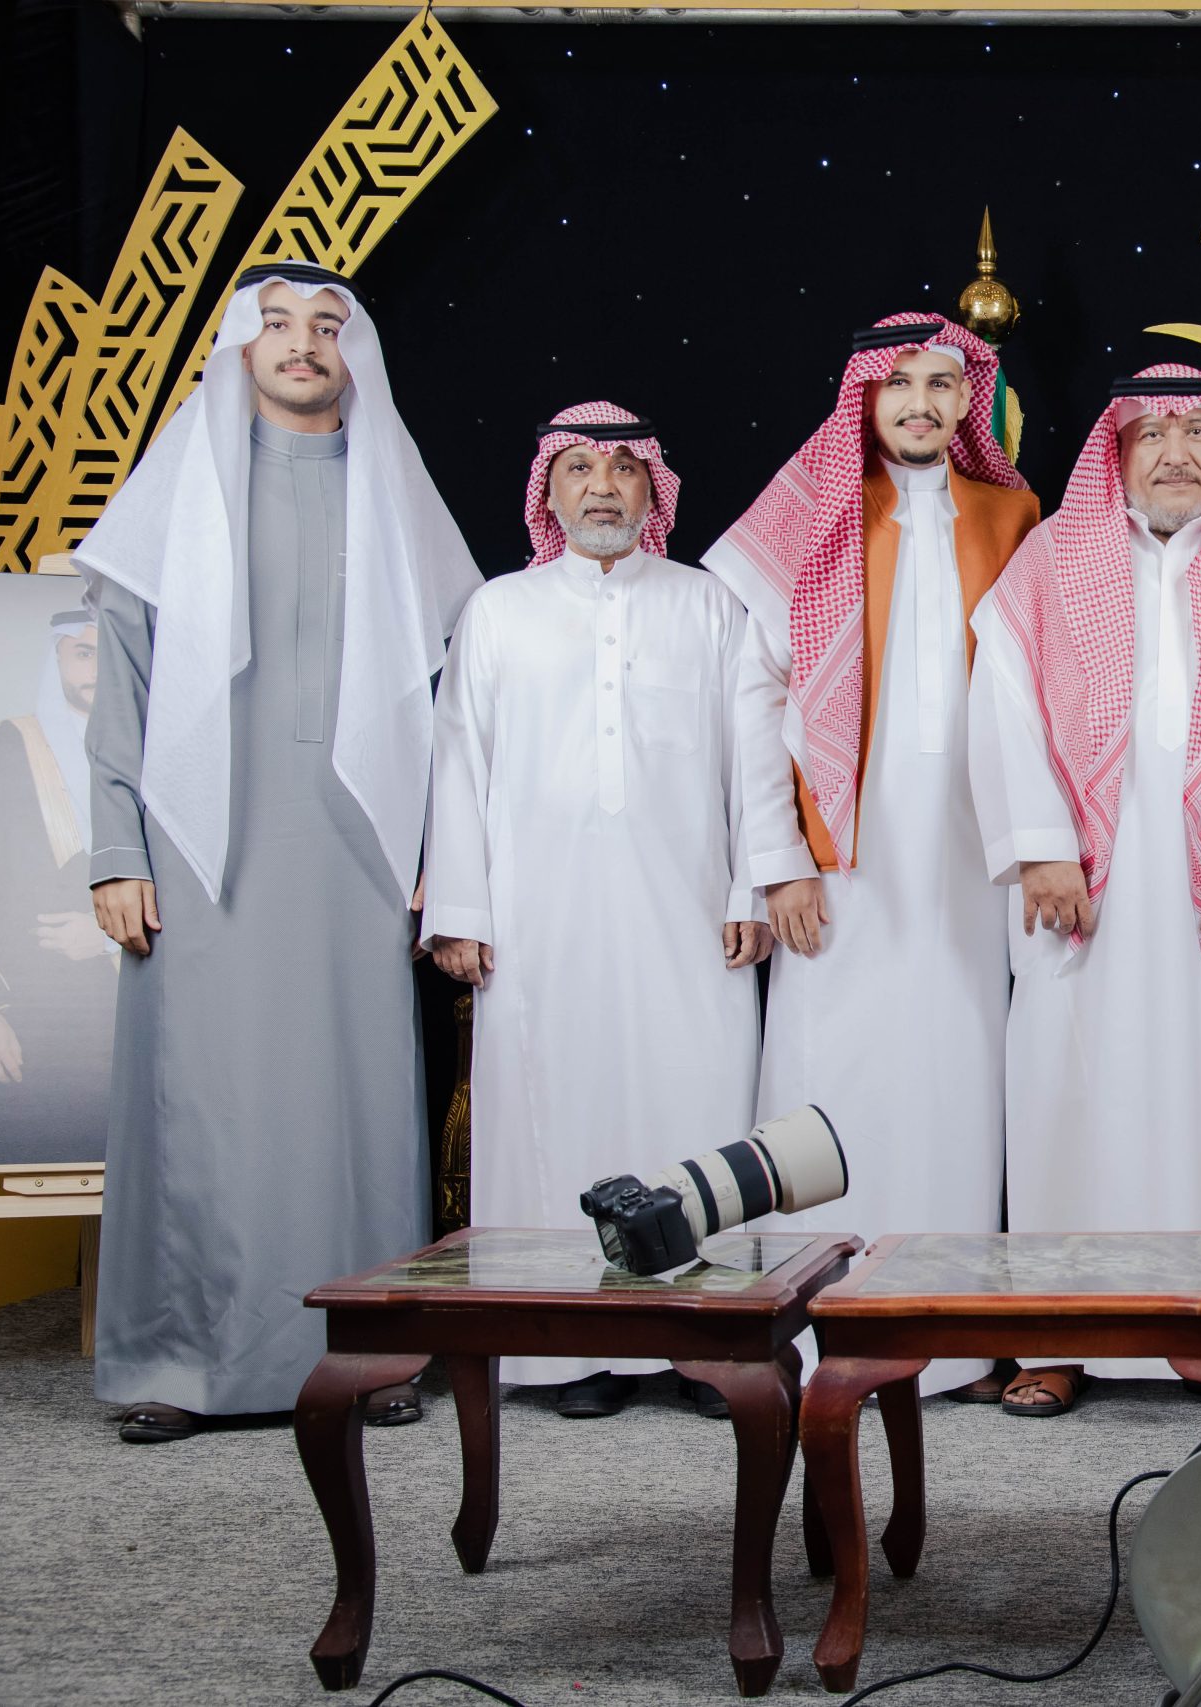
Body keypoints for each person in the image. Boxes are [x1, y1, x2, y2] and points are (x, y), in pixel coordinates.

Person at [76, 264, 480, 1443]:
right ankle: (183, 1362)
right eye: (276, 325)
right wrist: (116, 848)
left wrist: (445, 858)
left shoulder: (396, 499)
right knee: (203, 1097)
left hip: (361, 846)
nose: (303, 345)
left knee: (357, 1103)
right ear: (237, 350)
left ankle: (371, 1352)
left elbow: (451, 704)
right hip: (202, 841)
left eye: (326, 327)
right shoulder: (175, 491)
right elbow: (123, 686)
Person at [967, 364, 1201, 1416]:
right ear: (1118, 454)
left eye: (1197, 434)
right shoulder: (1052, 561)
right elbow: (1001, 698)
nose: (1175, 453)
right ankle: (1057, 1334)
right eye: (1152, 434)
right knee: (1068, 1102)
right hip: (1083, 900)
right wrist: (1042, 846)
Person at [704, 316, 1038, 1403]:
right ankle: (816, 1329)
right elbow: (756, 702)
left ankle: (953, 1335)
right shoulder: (810, 516)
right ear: (864, 397)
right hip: (838, 856)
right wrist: (778, 861)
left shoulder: (1014, 515)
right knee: (830, 1077)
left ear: (969, 399)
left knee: (960, 1079)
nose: (921, 404)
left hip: (970, 859)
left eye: (943, 383)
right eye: (899, 384)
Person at [425, 403, 776, 1420]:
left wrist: (752, 885)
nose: (602, 486)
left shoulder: (709, 604)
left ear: (652, 487)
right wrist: (461, 907)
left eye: (623, 467)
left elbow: (755, 760)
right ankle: (563, 1347)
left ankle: (699, 1342)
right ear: (548, 490)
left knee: (696, 1105)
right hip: (539, 921)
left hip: (688, 918)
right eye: (578, 468)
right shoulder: (498, 611)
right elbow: (459, 762)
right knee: (553, 1113)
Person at [0, 609, 116, 1155]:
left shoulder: (157, 752)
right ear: (57, 657)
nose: (97, 669)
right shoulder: (11, 745)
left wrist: (108, 937)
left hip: (134, 1003)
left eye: (109, 654)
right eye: (83, 653)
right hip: (31, 1010)